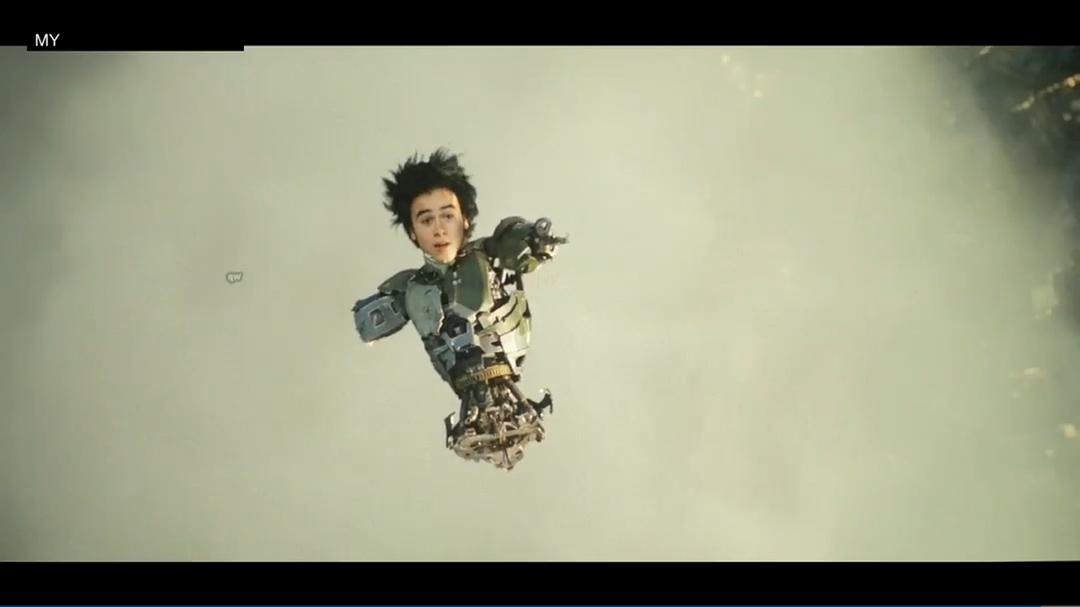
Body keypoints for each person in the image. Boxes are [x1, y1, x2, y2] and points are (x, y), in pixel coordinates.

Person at [351, 149, 567, 470]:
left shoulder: (488, 255)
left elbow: (513, 243)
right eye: (426, 220)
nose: (439, 229)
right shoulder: (411, 288)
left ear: (465, 219)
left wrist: (532, 239)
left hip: (501, 364)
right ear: (412, 231)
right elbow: (368, 322)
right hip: (465, 383)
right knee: (418, 293)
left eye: (447, 216)